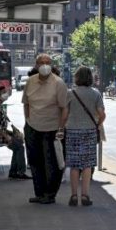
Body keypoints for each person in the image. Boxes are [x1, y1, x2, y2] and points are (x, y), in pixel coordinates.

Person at [23, 53, 69, 204]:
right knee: (35, 162)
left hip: (53, 129)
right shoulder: (30, 81)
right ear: (36, 65)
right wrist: (27, 121)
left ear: (52, 65)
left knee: (53, 163)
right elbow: (26, 103)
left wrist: (61, 128)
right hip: (32, 127)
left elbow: (64, 108)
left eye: (47, 62)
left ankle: (50, 194)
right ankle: (40, 193)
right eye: (41, 62)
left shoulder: (59, 83)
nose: (44, 65)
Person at [65, 66, 105, 207]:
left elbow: (65, 114)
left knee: (74, 165)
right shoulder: (95, 94)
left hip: (72, 131)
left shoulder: (70, 93)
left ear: (76, 78)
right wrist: (97, 125)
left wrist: (60, 128)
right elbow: (102, 114)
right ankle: (86, 195)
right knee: (87, 165)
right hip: (89, 132)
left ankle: (74, 196)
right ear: (90, 78)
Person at [0, 85, 29, 179]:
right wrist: (7, 137)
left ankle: (14, 172)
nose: (6, 94)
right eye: (3, 93)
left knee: (18, 144)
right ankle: (20, 172)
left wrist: (14, 131)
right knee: (19, 147)